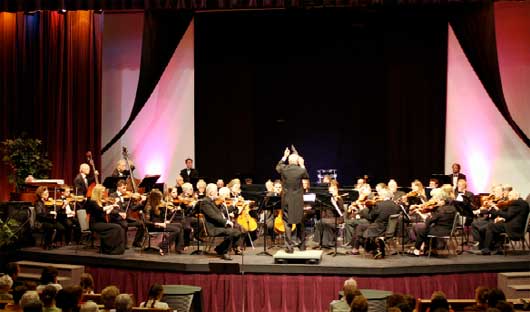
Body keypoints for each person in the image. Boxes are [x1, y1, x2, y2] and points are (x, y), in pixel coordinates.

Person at [276, 147, 310, 253]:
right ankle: (302, 246)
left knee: (287, 223)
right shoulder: (301, 170)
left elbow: (278, 167)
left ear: (289, 161)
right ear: (297, 161)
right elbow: (306, 176)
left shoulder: (284, 169)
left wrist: (284, 157)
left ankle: (289, 247)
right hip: (298, 201)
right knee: (300, 222)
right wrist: (302, 164)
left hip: (286, 200)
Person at [200, 184, 242, 260]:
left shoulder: (211, 201)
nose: (218, 193)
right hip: (213, 228)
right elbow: (213, 216)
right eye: (216, 191)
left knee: (237, 232)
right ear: (211, 193)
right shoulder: (205, 202)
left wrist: (232, 207)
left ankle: (219, 248)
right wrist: (226, 222)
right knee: (231, 232)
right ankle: (224, 252)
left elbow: (220, 213)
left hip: (218, 225)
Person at [480, 190, 529, 255]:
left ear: (516, 196)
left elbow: (507, 215)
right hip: (517, 226)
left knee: (491, 226)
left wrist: (494, 211)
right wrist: (501, 217)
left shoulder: (516, 203)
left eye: (510, 195)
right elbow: (512, 215)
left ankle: (486, 249)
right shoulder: (523, 203)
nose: (509, 197)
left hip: (513, 228)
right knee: (496, 225)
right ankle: (498, 248)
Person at [84, 185, 125, 255]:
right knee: (116, 227)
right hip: (95, 224)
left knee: (119, 227)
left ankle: (116, 248)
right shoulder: (92, 202)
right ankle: (110, 249)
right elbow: (100, 210)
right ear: (98, 192)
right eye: (102, 192)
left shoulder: (99, 202)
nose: (104, 194)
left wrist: (112, 207)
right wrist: (111, 206)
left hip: (101, 223)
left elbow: (104, 213)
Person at [144, 189, 185, 255]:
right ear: (155, 199)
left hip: (162, 224)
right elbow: (146, 222)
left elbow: (164, 216)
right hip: (154, 226)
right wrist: (157, 223)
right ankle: (163, 245)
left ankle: (179, 247)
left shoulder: (160, 206)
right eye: (160, 198)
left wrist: (173, 211)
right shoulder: (149, 207)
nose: (161, 200)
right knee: (176, 230)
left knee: (180, 225)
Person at [108, 180, 145, 248]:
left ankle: (136, 242)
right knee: (124, 224)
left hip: (126, 218)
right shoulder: (112, 195)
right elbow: (111, 210)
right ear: (118, 187)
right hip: (117, 219)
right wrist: (119, 213)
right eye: (123, 188)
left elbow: (132, 208)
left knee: (141, 223)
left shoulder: (127, 197)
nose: (125, 190)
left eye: (125, 188)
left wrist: (141, 203)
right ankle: (123, 244)